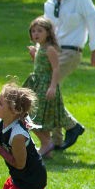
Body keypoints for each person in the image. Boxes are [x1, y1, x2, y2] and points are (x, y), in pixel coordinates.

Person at [37, 0, 95, 151]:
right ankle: (57, 140)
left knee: (48, 86)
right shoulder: (49, 4)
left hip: (72, 51)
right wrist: (38, 49)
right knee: (51, 91)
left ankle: (71, 126)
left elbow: (93, 20)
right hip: (53, 51)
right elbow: (47, 29)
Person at [23, 16, 68, 158]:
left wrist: (53, 87)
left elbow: (55, 68)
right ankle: (47, 148)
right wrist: (34, 55)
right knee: (37, 116)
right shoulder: (39, 48)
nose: (36, 34)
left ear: (48, 33)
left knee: (35, 117)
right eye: (33, 31)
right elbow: (40, 66)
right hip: (36, 84)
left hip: (45, 86)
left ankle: (46, 143)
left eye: (40, 31)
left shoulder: (50, 49)